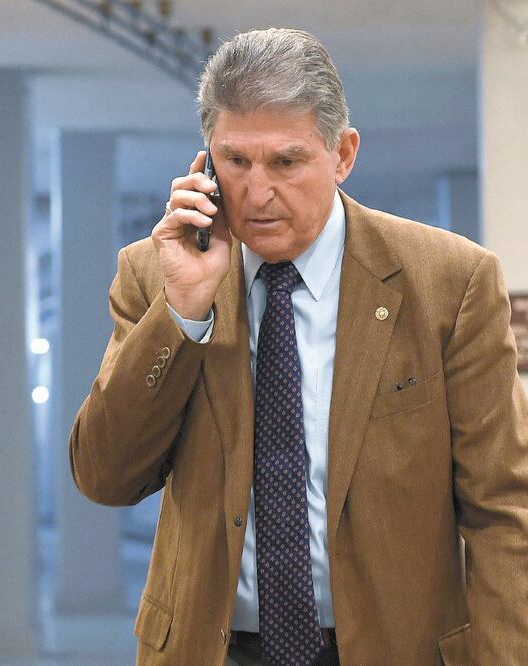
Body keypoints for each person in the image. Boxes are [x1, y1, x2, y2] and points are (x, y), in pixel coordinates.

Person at [68, 28, 528, 666]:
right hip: (212, 649)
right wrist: (182, 311)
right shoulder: (156, 274)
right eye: (235, 161)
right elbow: (106, 476)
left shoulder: (449, 282)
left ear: (343, 155)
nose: (257, 194)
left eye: (286, 162)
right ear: (206, 161)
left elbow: (503, 510)